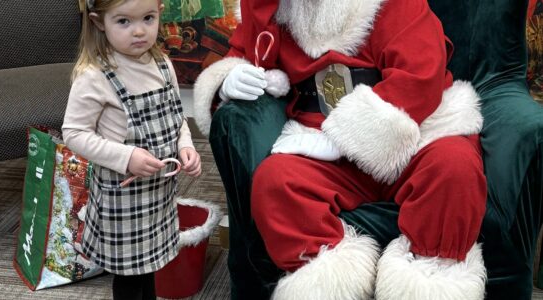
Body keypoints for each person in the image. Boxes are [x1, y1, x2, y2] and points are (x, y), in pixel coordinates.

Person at [193, 0, 487, 299]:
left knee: (455, 166)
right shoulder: (272, 7)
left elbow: (421, 74)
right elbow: (245, 52)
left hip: (415, 129)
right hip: (321, 139)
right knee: (275, 180)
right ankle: (328, 278)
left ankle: (428, 278)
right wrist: (227, 80)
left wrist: (349, 134)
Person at [62, 0, 202, 299]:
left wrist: (186, 145)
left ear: (160, 12)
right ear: (100, 22)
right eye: (124, 22)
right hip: (121, 197)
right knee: (128, 276)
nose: (139, 31)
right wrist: (127, 157)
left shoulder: (164, 64)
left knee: (150, 266)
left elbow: (177, 118)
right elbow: (74, 133)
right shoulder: (94, 75)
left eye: (148, 18)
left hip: (159, 194)